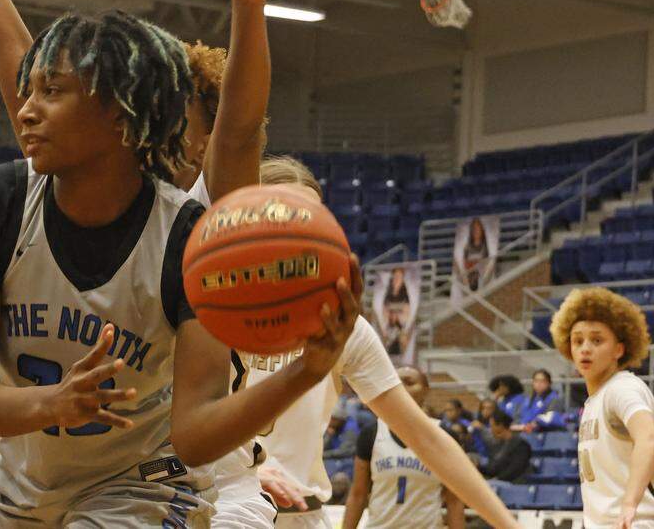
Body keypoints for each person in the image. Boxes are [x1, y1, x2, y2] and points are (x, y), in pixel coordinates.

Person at [0, 0, 369, 525]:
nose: (26, 108)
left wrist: (249, 6)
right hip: (22, 485)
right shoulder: (3, 196)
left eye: (52, 92)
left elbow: (237, 130)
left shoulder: (199, 228)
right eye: (34, 91)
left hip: (160, 480)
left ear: (125, 115)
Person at [222, 157, 520, 529]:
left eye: (309, 218)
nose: (296, 229)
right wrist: (241, 471)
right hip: (223, 507)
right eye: (281, 214)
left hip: (303, 516)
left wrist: (510, 525)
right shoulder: (206, 314)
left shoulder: (345, 327)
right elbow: (173, 431)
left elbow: (427, 438)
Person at [549, 286, 654, 528]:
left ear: (619, 349)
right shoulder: (593, 401)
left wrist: (629, 505)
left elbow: (650, 442)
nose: (585, 348)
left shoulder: (622, 388)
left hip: (638, 522)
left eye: (597, 340)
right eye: (578, 341)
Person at [342, 366, 466, 529]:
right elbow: (358, 494)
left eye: (409, 382)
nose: (401, 389)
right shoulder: (371, 433)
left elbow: (454, 500)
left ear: (426, 390)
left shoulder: (445, 435)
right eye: (395, 384)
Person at [478, 412, 531, 483]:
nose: (490, 429)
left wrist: (497, 479)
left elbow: (516, 469)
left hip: (514, 484)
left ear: (500, 426)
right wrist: (478, 467)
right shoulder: (498, 445)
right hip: (497, 482)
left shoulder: (520, 445)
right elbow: (493, 469)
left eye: (491, 426)